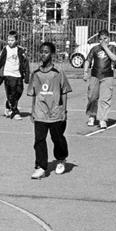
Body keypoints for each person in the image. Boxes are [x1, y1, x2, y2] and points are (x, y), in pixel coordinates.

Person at [25, 41, 71, 180]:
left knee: (57, 138)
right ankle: (41, 167)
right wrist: (32, 110)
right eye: (41, 52)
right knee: (39, 140)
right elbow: (34, 93)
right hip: (40, 111)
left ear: (52, 54)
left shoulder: (58, 73)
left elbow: (64, 92)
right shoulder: (36, 73)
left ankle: (61, 158)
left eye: (46, 52)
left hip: (55, 111)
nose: (43, 54)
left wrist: (63, 110)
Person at [84, 30, 116, 129]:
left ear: (109, 39)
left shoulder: (112, 48)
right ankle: (92, 115)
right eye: (101, 39)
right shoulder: (94, 49)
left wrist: (105, 47)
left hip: (107, 76)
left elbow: (114, 58)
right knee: (92, 97)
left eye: (105, 38)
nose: (103, 41)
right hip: (95, 75)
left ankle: (102, 119)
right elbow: (88, 60)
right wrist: (85, 72)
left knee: (105, 98)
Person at [0, 29, 30, 119]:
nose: (10, 42)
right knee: (11, 93)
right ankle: (15, 112)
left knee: (19, 92)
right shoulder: (5, 49)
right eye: (9, 40)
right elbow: (1, 63)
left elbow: (25, 63)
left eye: (12, 40)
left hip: (18, 74)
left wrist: (26, 76)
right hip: (8, 74)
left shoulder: (20, 50)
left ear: (16, 40)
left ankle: (8, 105)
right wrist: (0, 76)